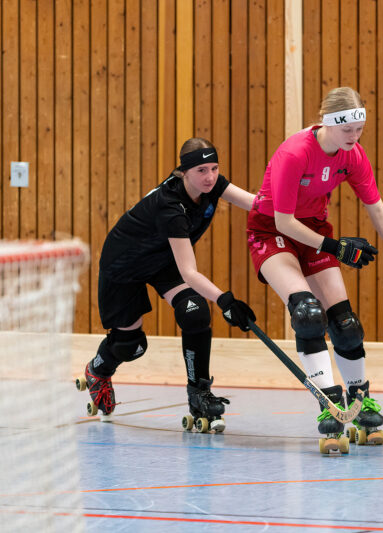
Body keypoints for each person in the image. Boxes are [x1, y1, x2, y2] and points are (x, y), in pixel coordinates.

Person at [246, 87, 383, 448]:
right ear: (328, 122)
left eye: (359, 129)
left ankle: (359, 398)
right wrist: (336, 247)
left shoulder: (352, 155)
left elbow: (376, 208)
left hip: (313, 229)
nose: (354, 137)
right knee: (308, 313)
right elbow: (283, 221)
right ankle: (329, 402)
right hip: (272, 231)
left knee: (346, 323)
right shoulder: (295, 153)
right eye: (347, 130)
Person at [78, 137, 257, 433]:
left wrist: (299, 212)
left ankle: (198, 393)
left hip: (162, 259)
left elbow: (256, 204)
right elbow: (189, 272)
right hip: (125, 263)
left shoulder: (211, 186)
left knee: (195, 311)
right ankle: (98, 370)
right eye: (201, 170)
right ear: (184, 172)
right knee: (131, 346)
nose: (210, 176)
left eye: (214, 168)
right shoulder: (171, 207)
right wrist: (225, 300)